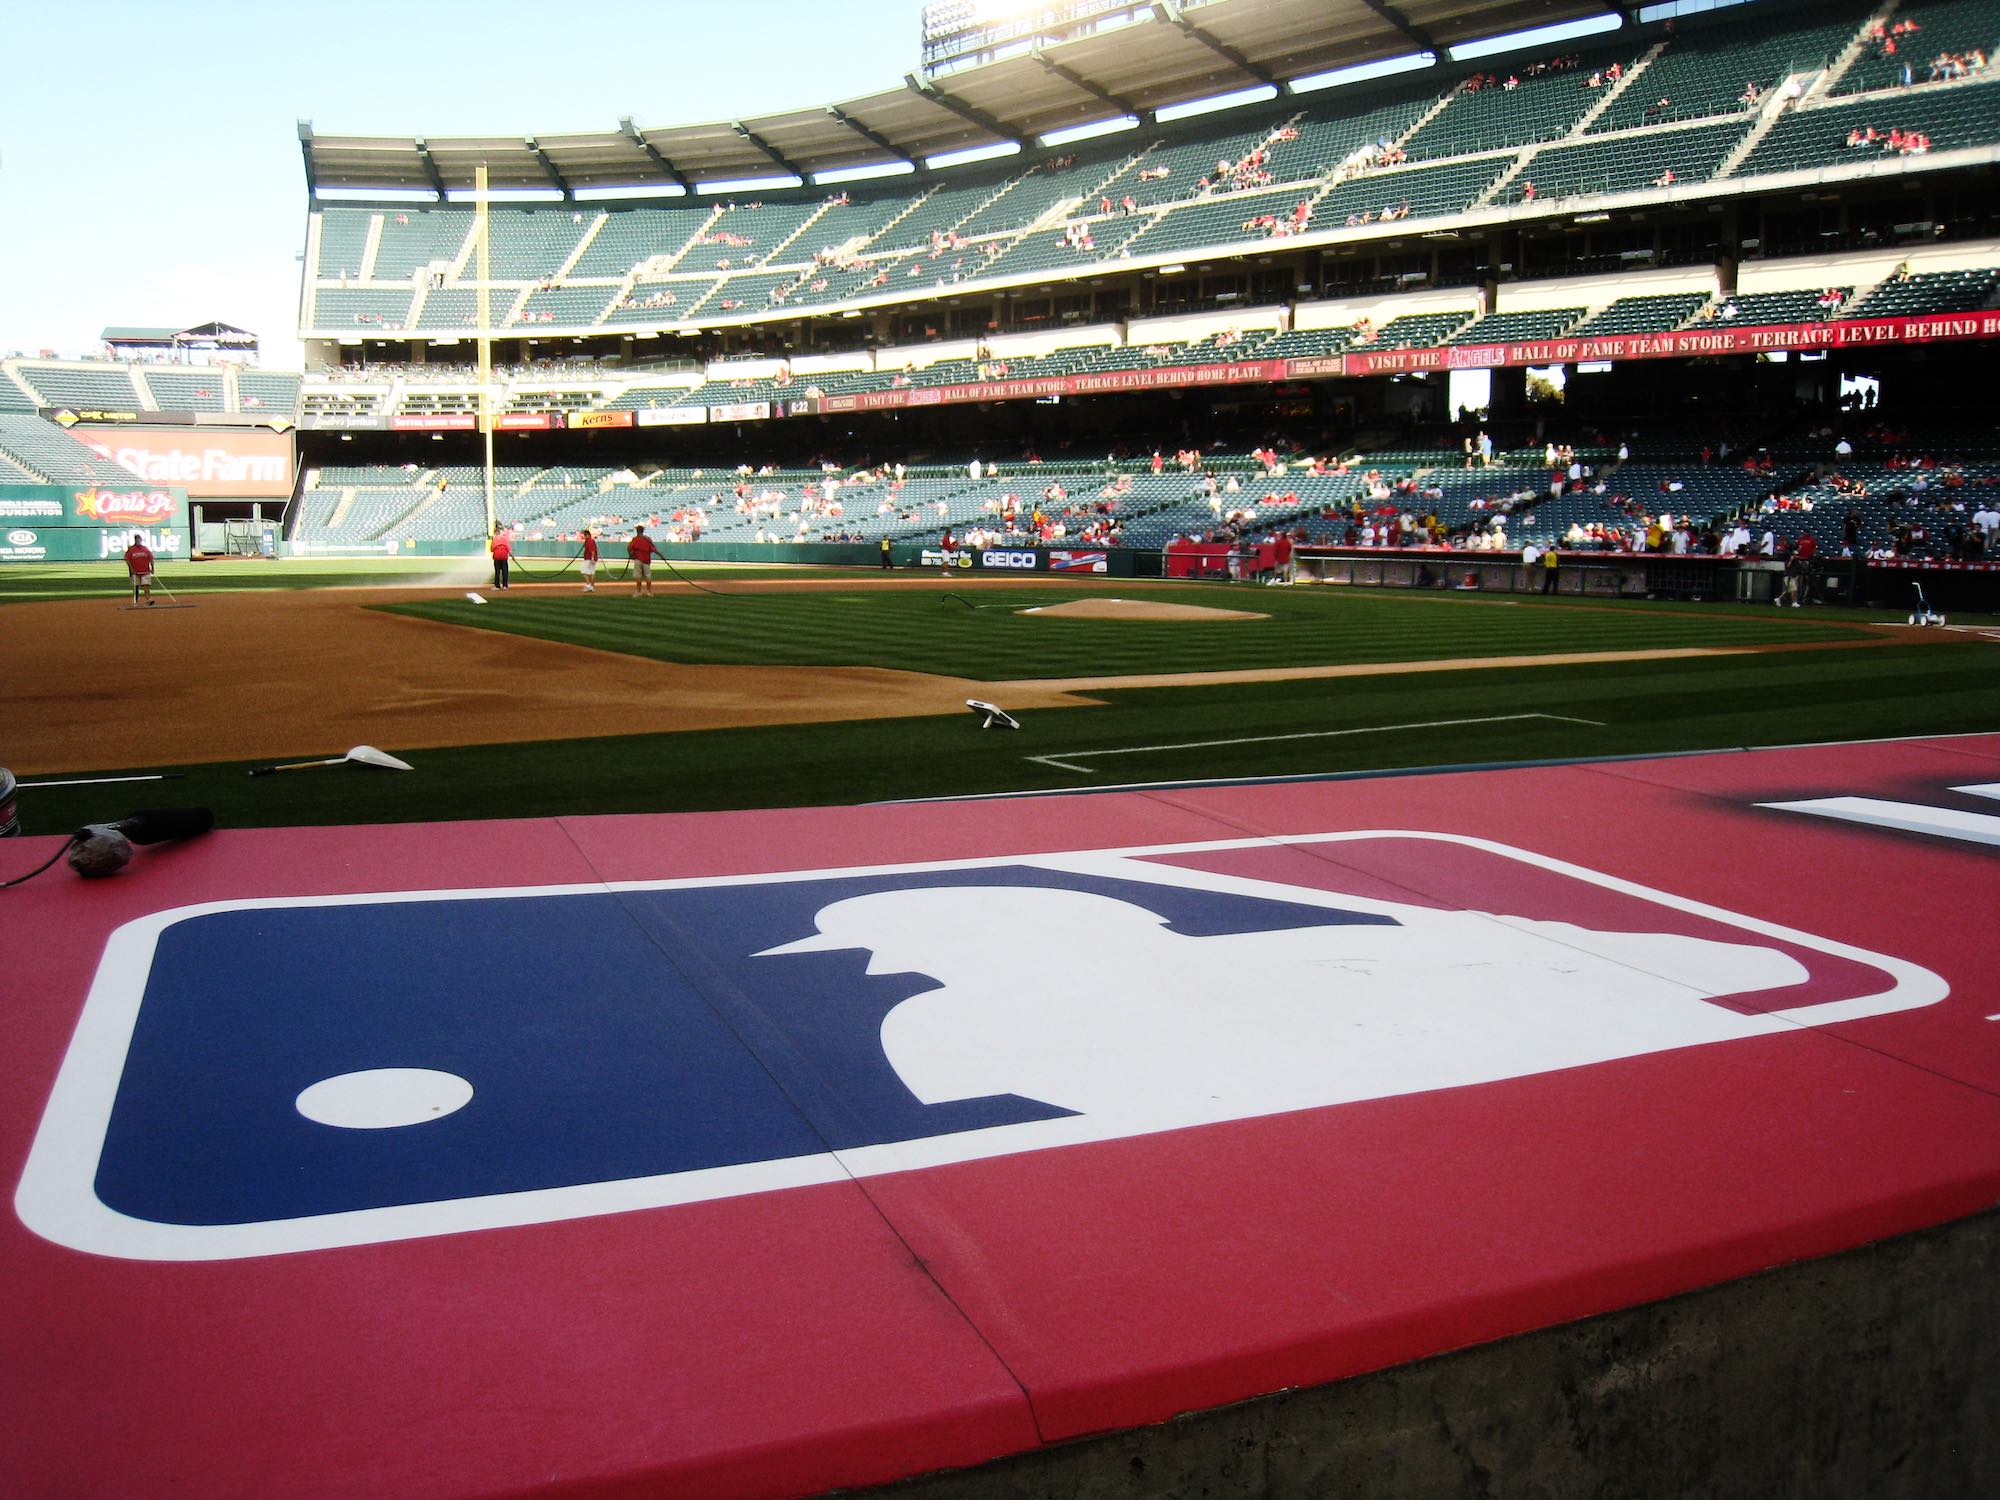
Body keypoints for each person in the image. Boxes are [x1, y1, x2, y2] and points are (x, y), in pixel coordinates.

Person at [123, 532, 155, 606]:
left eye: (139, 539)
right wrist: (131, 569)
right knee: (136, 587)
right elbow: (127, 560)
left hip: (145, 570)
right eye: (137, 539)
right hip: (135, 571)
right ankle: (135, 601)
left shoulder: (145, 549)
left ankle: (148, 600)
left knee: (146, 586)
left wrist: (152, 568)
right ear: (135, 540)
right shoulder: (131, 549)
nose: (138, 541)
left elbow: (151, 558)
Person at [627, 524, 659, 595]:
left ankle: (638, 591)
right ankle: (649, 592)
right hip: (646, 560)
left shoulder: (635, 539)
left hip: (638, 559)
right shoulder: (647, 539)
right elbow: (653, 549)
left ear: (637, 531)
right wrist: (661, 556)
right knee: (648, 576)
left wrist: (631, 554)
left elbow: (629, 548)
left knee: (638, 576)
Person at [578, 528, 599, 593]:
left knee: (584, 571)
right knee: (592, 573)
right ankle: (591, 587)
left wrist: (592, 559)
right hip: (592, 559)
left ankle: (588, 586)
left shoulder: (589, 541)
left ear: (587, 535)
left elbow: (592, 550)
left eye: (583, 535)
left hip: (589, 559)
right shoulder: (589, 540)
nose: (582, 536)